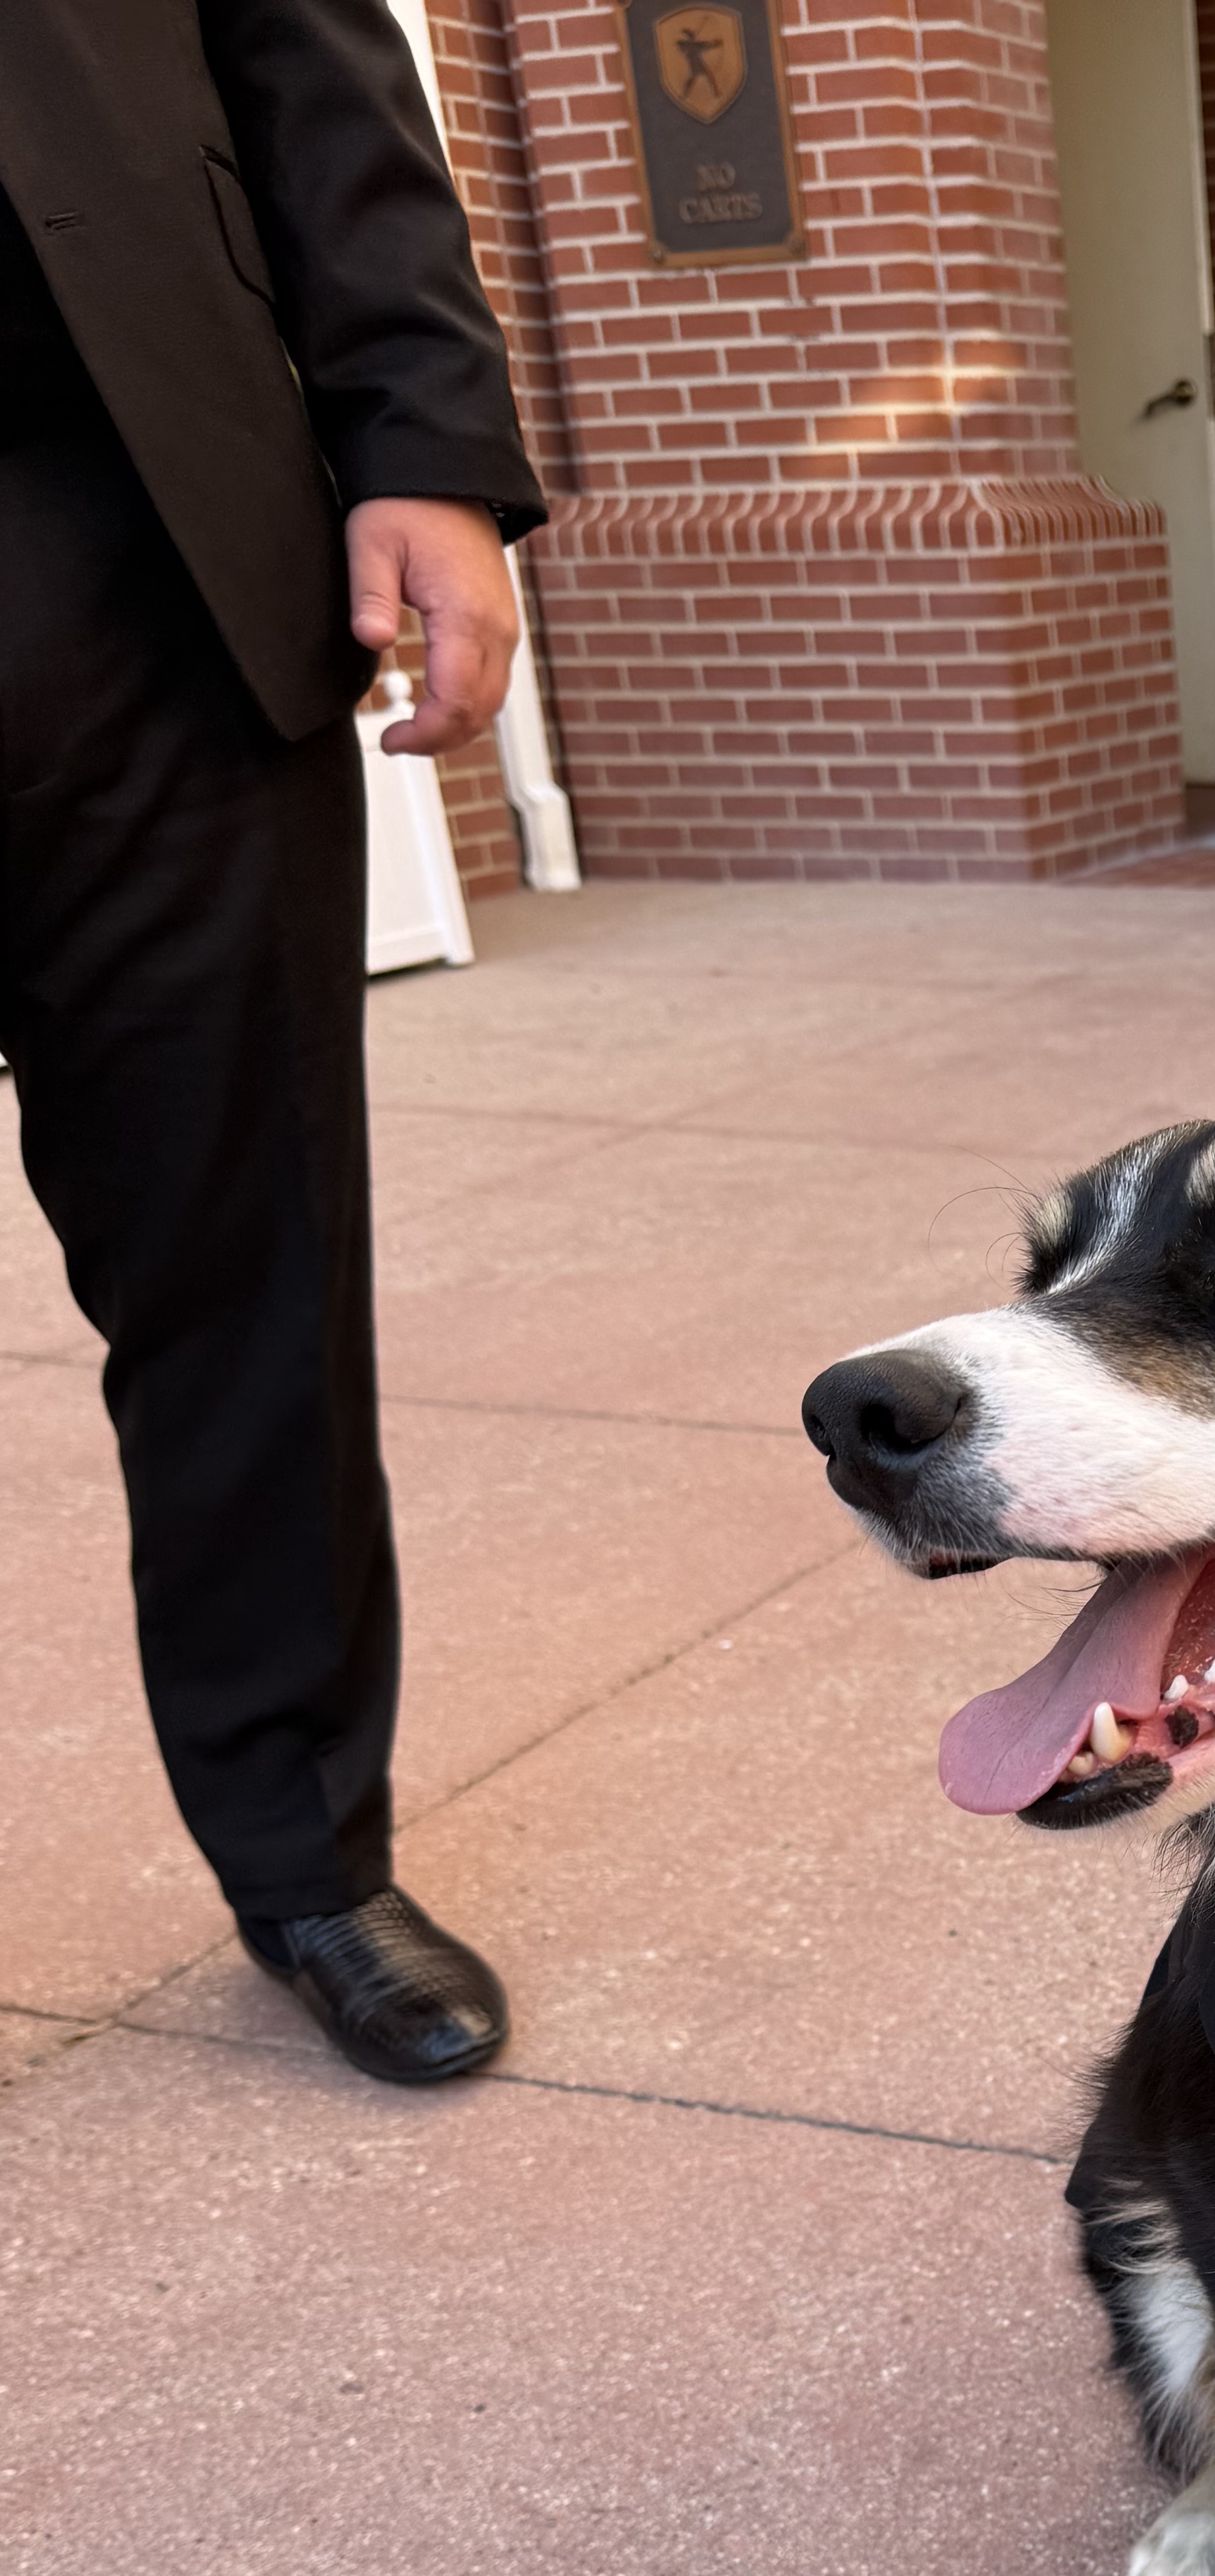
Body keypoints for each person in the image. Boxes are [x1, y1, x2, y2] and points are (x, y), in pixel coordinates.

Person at [2, 0, 544, 2082]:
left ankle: (310, 1856)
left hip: (136, 544)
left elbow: (311, 56)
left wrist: (423, 439)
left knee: (249, 1277)